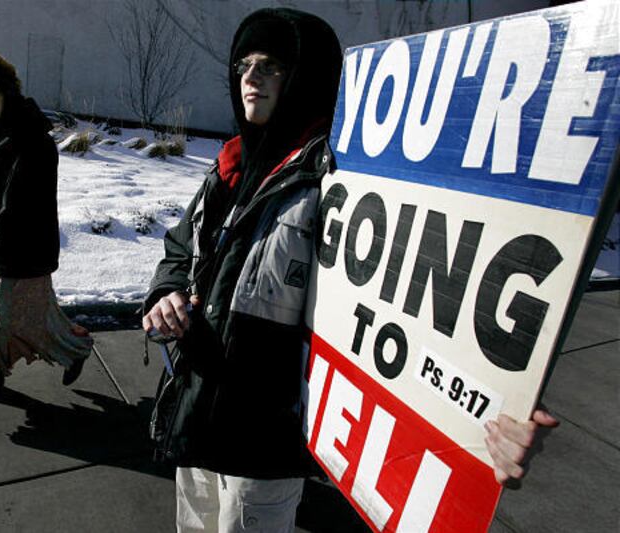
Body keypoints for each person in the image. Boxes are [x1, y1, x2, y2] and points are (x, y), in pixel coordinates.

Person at [142, 8, 558, 532]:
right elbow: (181, 246)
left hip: (262, 436)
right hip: (194, 404)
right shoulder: (228, 165)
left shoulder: (343, 177)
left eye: (270, 65)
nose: (250, 77)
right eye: (243, 64)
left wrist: (493, 411)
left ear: (307, 76)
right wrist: (166, 291)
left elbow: (418, 296)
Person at [0, 52, 92, 395]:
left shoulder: (30, 139)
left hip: (24, 248)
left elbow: (19, 208)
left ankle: (76, 349)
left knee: (21, 319)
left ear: (8, 91)